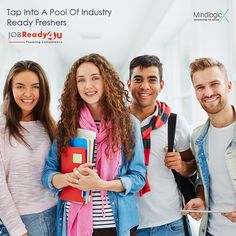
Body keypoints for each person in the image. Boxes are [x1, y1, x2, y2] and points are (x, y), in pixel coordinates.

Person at [42, 53, 146, 236]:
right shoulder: (67, 125)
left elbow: (138, 178)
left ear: (106, 81)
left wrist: (101, 184)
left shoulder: (128, 124)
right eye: (81, 80)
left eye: (95, 78)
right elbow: (48, 174)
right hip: (73, 224)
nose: (88, 86)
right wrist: (68, 179)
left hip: (116, 225)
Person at [127, 55, 196, 236]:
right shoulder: (115, 123)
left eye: (152, 80)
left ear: (161, 85)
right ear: (128, 84)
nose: (145, 86)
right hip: (129, 225)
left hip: (170, 224)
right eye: (138, 79)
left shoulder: (175, 123)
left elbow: (192, 168)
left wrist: (181, 165)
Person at [0, 60, 57, 236]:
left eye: (35, 86)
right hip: (22, 222)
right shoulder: (2, 125)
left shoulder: (48, 124)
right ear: (10, 88)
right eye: (20, 86)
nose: (28, 93)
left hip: (56, 214)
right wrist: (18, 230)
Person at [184, 57, 236, 236]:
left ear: (228, 86)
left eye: (214, 84)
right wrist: (200, 198)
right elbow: (202, 178)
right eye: (200, 87)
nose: (208, 92)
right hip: (210, 232)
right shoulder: (198, 136)